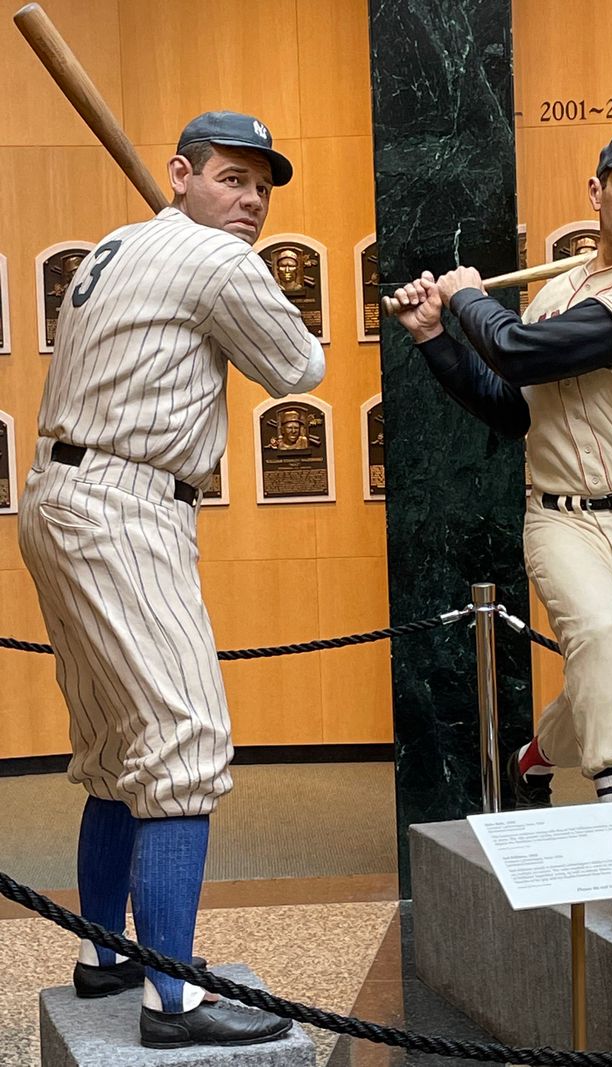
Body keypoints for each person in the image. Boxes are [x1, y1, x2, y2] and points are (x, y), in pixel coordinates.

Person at [18, 110, 325, 1049]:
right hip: (124, 506)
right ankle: (172, 1000)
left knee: (119, 750)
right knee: (184, 744)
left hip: (60, 497)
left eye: (262, 187)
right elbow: (298, 366)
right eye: (232, 179)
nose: (252, 200)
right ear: (181, 174)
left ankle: (105, 951)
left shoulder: (117, 243)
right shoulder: (216, 259)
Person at [391, 131, 612, 941]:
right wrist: (434, 339)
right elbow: (507, 400)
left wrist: (463, 297)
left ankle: (540, 752)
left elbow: (523, 350)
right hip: (559, 517)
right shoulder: (559, 287)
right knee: (596, 636)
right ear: (594, 192)